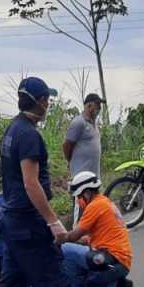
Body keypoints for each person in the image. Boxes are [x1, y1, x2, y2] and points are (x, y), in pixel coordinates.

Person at [0, 77, 120, 287]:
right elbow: (30, 183)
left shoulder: (12, 130)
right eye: (47, 99)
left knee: (12, 286)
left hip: (12, 224)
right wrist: (53, 221)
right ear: (40, 101)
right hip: (29, 225)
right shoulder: (29, 136)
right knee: (53, 283)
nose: (48, 105)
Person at [56, 171, 134, 287]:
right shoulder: (106, 202)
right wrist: (81, 240)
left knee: (65, 248)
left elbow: (73, 235)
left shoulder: (95, 206)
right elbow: (91, 237)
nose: (78, 200)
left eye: (79, 196)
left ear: (87, 193)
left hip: (109, 262)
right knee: (90, 275)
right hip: (119, 263)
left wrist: (56, 238)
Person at [63, 93, 105, 225]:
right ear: (89, 105)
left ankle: (88, 241)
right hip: (81, 178)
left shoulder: (93, 123)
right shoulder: (78, 123)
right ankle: (74, 240)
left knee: (91, 212)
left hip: (93, 178)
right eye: (97, 106)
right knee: (80, 212)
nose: (99, 109)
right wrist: (70, 161)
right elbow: (67, 145)